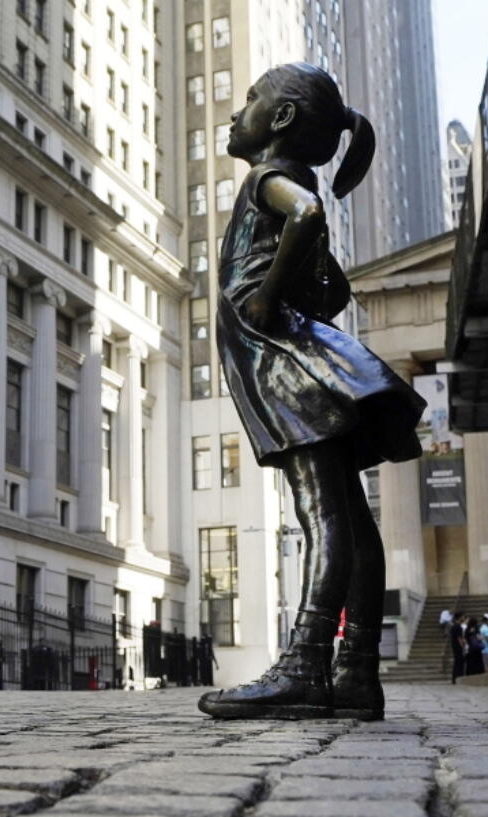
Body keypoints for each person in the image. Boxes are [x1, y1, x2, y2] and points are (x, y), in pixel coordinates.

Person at [197, 63, 425, 721]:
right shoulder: (288, 178)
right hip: (298, 360)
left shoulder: (270, 179)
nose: (237, 113)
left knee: (321, 513)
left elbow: (308, 217)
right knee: (351, 517)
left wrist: (266, 298)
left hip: (286, 364)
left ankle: (305, 664)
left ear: (283, 119)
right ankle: (355, 672)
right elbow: (332, 287)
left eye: (249, 99)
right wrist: (295, 288)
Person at [450, 612, 467, 684]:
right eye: (463, 617)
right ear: (459, 617)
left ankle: (454, 679)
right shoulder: (458, 626)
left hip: (454, 646)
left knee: (456, 663)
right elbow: (459, 638)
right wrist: (463, 646)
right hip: (458, 647)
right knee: (460, 663)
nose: (464, 618)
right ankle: (459, 678)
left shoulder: (453, 626)